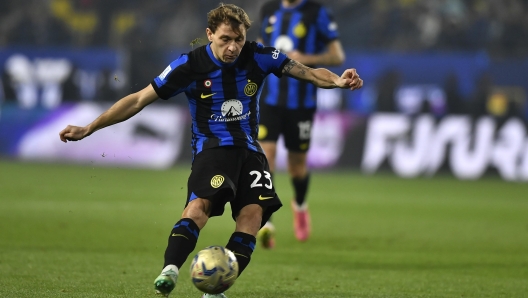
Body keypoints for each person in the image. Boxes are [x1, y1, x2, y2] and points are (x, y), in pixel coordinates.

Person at [58, 3, 362, 298]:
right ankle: (170, 270)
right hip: (213, 150)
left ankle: (216, 288)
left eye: (238, 40)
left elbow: (307, 72)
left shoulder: (259, 56)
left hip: (250, 152)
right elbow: (138, 100)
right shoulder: (189, 65)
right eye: (225, 39)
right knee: (199, 208)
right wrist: (89, 128)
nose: (232, 47)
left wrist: (337, 80)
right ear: (209, 34)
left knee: (253, 217)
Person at [256, 0, 346, 248]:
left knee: (297, 167)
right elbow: (260, 47)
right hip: (270, 101)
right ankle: (267, 222)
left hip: (302, 103)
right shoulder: (269, 9)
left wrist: (304, 58)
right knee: (266, 158)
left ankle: (301, 205)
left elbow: (337, 55)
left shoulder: (316, 12)